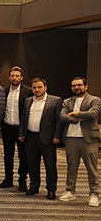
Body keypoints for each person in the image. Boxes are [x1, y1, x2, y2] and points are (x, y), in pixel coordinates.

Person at [59, 77, 101, 206]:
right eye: (74, 86)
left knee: (92, 168)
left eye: (79, 85)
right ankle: (70, 191)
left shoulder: (94, 100)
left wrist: (74, 113)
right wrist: (78, 118)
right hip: (71, 138)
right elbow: (62, 116)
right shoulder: (67, 101)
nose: (76, 87)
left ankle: (94, 194)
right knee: (71, 166)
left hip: (89, 139)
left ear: (85, 86)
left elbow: (93, 114)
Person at [19, 78, 62, 200]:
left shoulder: (55, 100)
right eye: (34, 87)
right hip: (30, 137)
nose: (37, 90)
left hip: (48, 138)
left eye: (39, 87)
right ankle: (34, 186)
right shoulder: (28, 100)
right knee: (32, 164)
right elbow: (24, 119)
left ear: (45, 87)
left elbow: (59, 121)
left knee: (50, 165)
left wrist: (57, 136)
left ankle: (51, 189)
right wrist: (21, 133)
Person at [0, 66, 33, 190]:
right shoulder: (3, 91)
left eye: (17, 76)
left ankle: (22, 179)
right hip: (7, 127)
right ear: (9, 77)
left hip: (21, 128)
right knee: (8, 155)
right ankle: (8, 178)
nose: (15, 78)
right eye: (12, 76)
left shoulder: (28, 92)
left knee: (23, 156)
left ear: (21, 78)